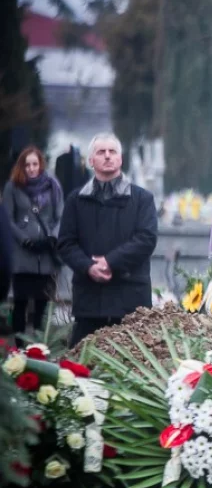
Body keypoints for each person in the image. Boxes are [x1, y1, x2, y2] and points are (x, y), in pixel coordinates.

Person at [58, 133, 158, 347]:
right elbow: (66, 243)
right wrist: (88, 267)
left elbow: (146, 239)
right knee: (81, 369)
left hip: (130, 301)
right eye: (101, 152)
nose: (107, 156)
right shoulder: (76, 200)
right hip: (90, 301)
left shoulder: (142, 199)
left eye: (112, 152)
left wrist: (110, 262)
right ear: (91, 161)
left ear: (120, 159)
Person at [2, 146, 64, 337]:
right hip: (23, 256)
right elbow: (7, 218)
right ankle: (20, 347)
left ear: (41, 164)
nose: (31, 168)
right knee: (20, 303)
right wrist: (25, 240)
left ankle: (40, 346)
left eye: (34, 164)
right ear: (21, 165)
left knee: (42, 305)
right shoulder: (13, 186)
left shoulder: (53, 185)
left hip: (45, 256)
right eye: (27, 164)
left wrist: (52, 237)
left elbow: (60, 215)